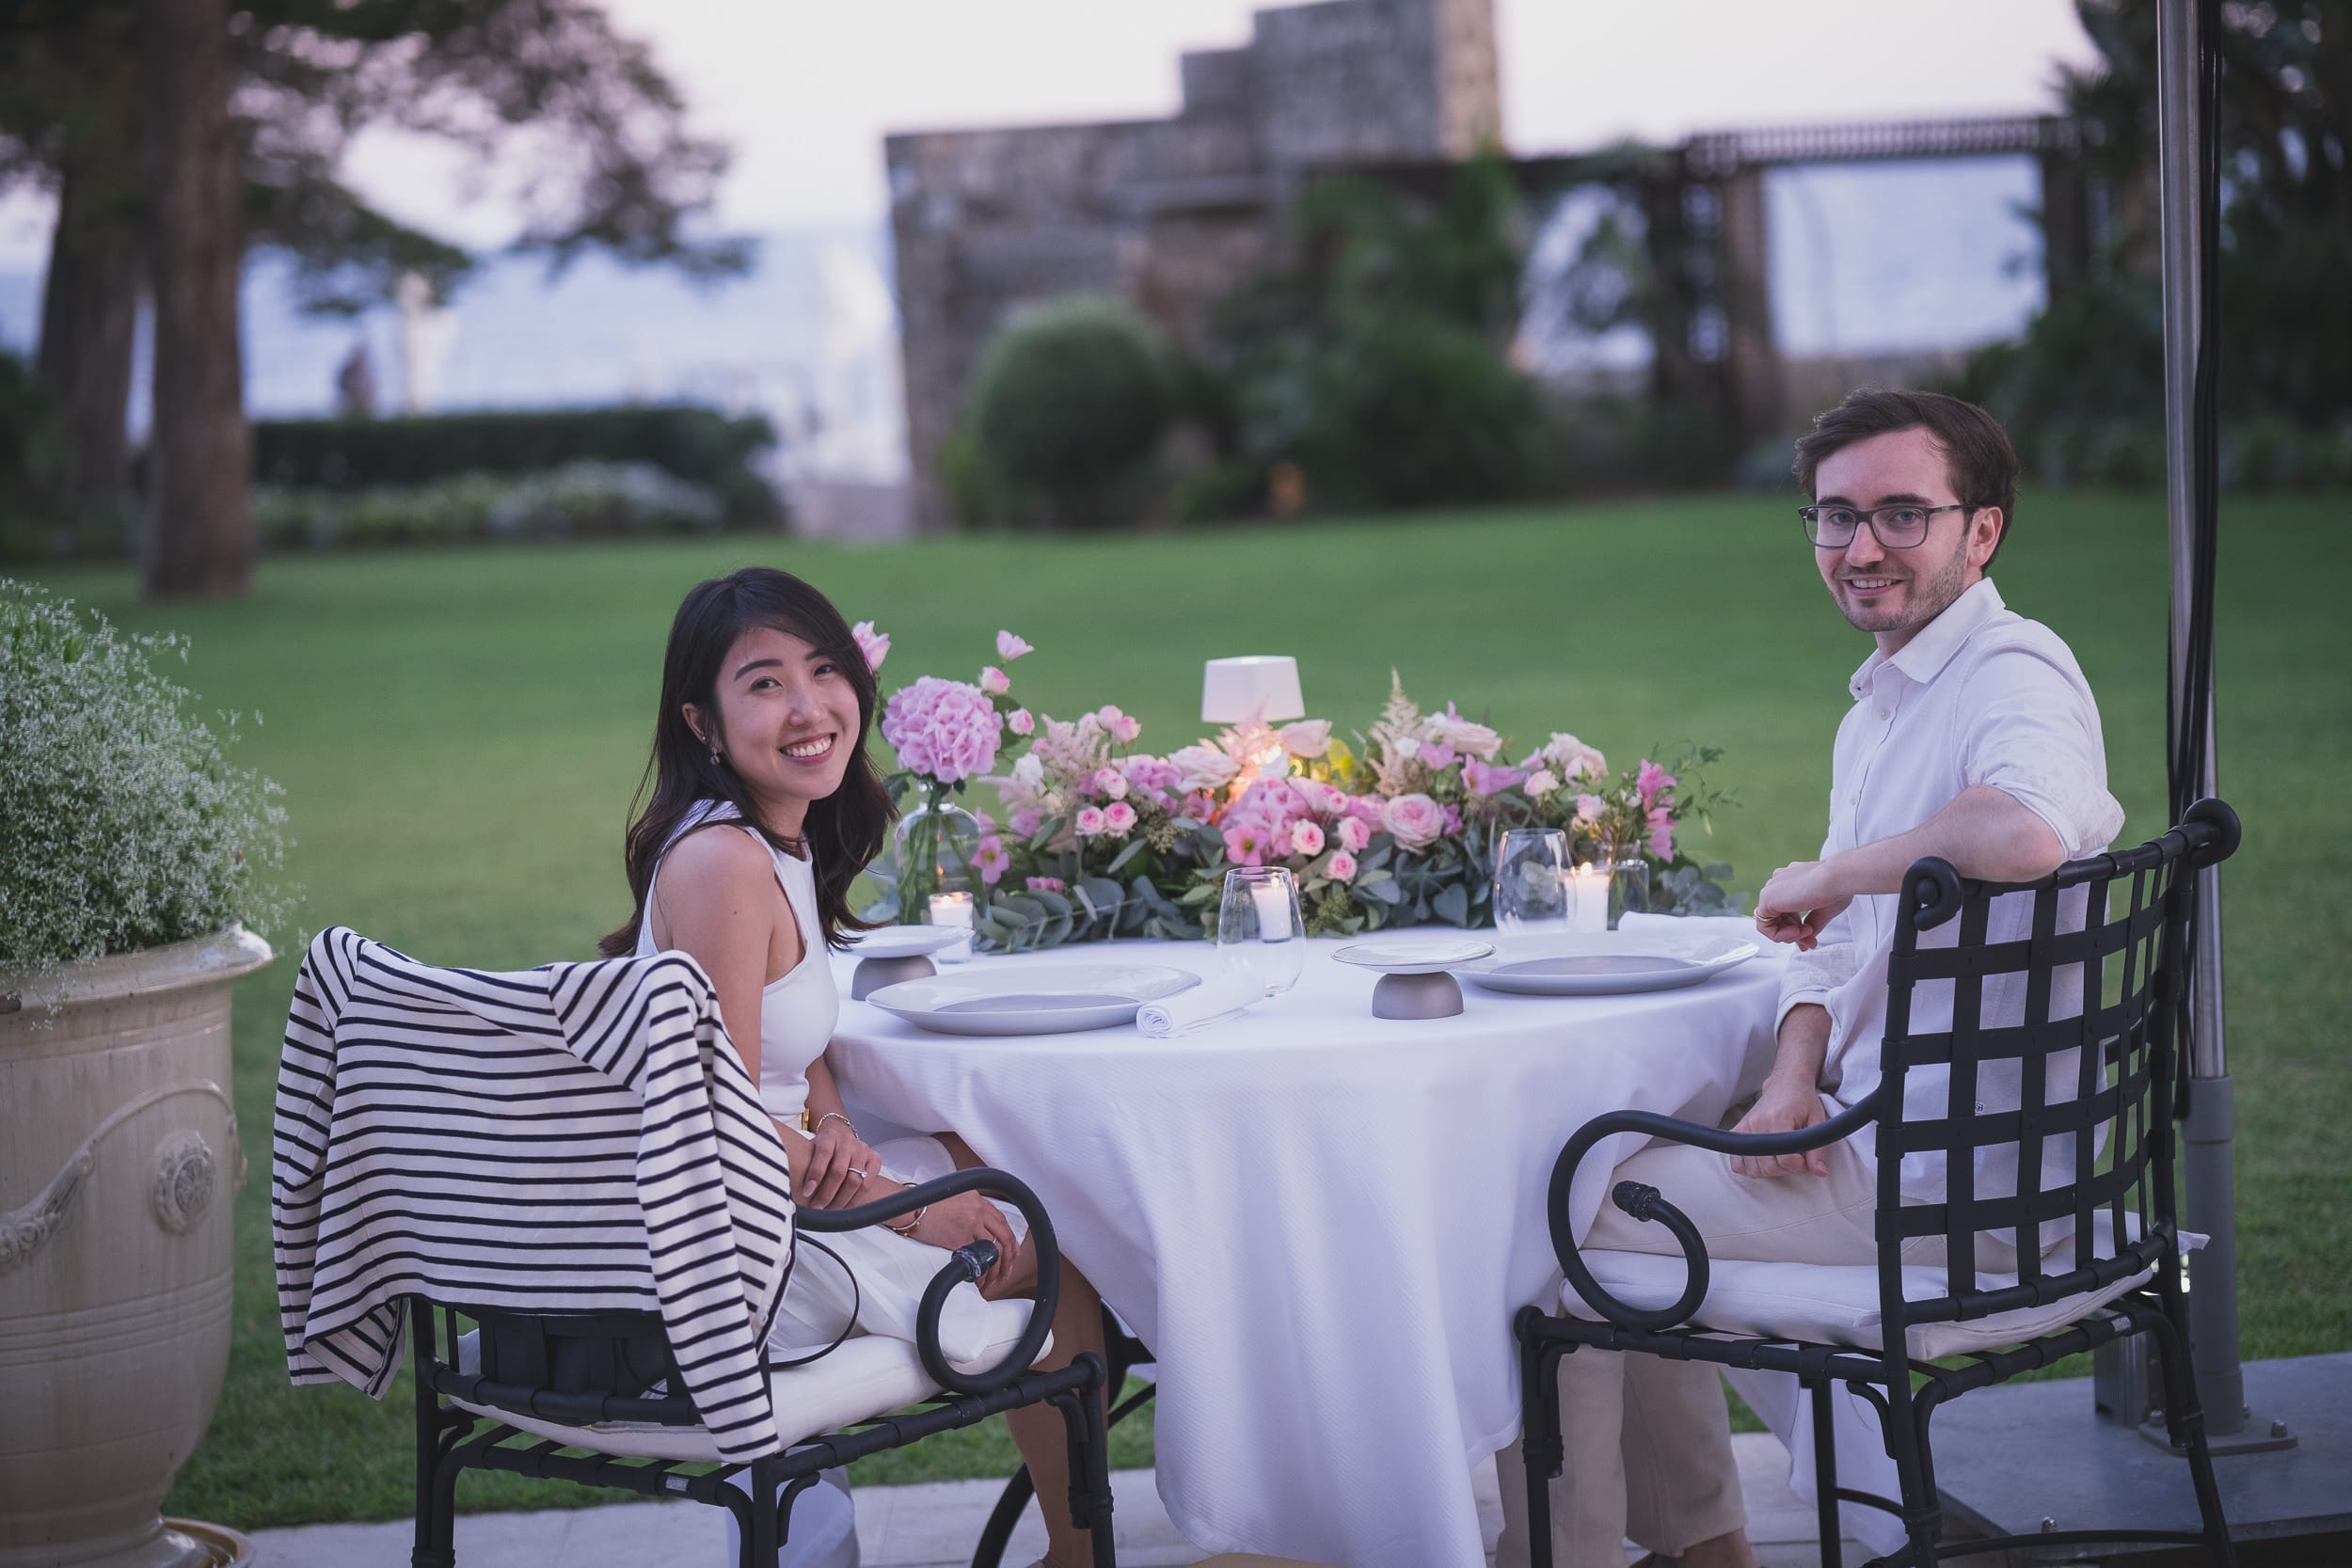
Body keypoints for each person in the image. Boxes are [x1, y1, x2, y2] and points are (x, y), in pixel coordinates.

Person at [1496, 388, 2125, 1568]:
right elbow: (1834, 943)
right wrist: (1791, 1076)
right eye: (1835, 517)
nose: (1861, 547)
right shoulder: (1883, 707)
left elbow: (2030, 827)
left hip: (1951, 1197)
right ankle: (1703, 1546)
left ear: (1979, 531)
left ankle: (1576, 1554)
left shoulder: (2012, 668)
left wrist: (1842, 868)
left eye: (1901, 513)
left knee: (1549, 1216)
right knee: (1603, 1176)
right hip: (1884, 1145)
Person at [599, 566, 1108, 1568]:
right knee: (1049, 1257)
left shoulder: (768, 837)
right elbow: (716, 1123)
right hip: (738, 1246)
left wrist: (833, 1121)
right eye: (764, 682)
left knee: (985, 1156)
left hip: (783, 1175)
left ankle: (1064, 1551)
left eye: (823, 669)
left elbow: (790, 1039)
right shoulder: (725, 865)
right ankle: (1078, 1556)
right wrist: (913, 1208)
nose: (808, 706)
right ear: (701, 719)